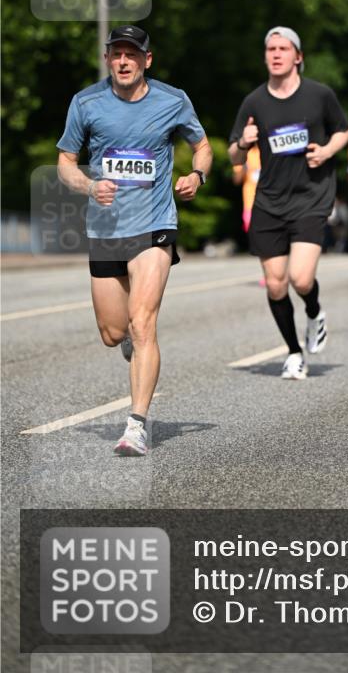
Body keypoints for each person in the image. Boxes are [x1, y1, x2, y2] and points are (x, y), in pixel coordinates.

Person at [57, 25, 212, 455]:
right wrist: (90, 185)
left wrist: (197, 175)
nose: (123, 61)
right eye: (116, 54)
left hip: (154, 224)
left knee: (144, 322)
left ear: (147, 60)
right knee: (113, 332)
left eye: (131, 54)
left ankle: (137, 425)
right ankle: (127, 339)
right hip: (106, 228)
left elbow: (203, 147)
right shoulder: (86, 103)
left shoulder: (172, 100)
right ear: (108, 59)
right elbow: (65, 163)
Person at [228, 26, 348, 380]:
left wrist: (327, 150)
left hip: (311, 197)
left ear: (298, 57)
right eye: (270, 49)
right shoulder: (254, 102)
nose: (276, 54)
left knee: (300, 278)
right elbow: (234, 158)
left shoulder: (319, 95)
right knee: (276, 284)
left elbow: (344, 130)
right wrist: (244, 142)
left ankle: (314, 311)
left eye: (283, 48)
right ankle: (294, 352)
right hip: (269, 201)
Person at [232, 145, 265, 285]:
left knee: (269, 237)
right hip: (250, 204)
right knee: (259, 240)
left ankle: (274, 273)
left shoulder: (268, 150)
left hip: (269, 202)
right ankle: (268, 272)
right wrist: (244, 165)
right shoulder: (246, 153)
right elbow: (237, 180)